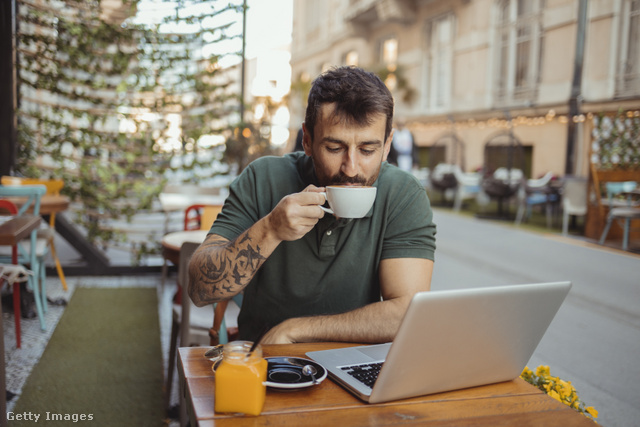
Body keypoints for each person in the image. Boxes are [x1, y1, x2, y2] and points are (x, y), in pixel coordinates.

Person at [189, 66, 436, 345]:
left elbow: (407, 313)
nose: (352, 168)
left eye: (368, 150)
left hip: (353, 364)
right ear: (307, 139)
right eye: (334, 148)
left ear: (387, 145)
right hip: (265, 363)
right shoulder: (263, 179)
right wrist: (270, 229)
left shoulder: (403, 194)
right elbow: (200, 289)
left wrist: (296, 330)